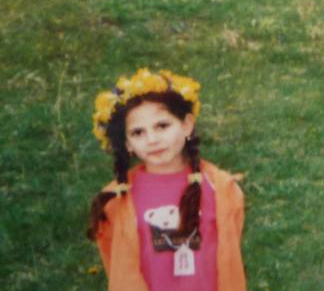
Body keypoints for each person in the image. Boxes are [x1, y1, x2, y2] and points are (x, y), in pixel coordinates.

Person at [87, 67, 246, 290]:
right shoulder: (116, 200)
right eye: (138, 133)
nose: (152, 139)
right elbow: (116, 265)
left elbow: (230, 253)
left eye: (162, 126)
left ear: (186, 125)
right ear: (127, 143)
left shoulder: (222, 189)